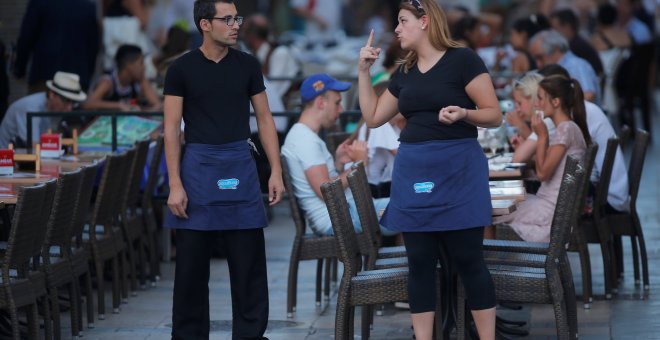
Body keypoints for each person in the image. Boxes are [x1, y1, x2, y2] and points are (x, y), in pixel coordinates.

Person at [358, 1, 501, 339]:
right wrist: (363, 72)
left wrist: (464, 114)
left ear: (424, 22)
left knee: (469, 259)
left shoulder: (463, 60)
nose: (396, 29)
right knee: (420, 262)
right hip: (415, 171)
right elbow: (374, 116)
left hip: (458, 169)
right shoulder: (405, 70)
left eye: (402, 21)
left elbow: (493, 113)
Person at [162, 1, 285, 339]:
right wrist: (175, 183)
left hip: (240, 167)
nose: (235, 25)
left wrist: (275, 170)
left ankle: (250, 335)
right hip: (197, 171)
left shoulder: (248, 64)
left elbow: (264, 119)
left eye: (236, 18)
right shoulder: (180, 69)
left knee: (249, 268)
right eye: (227, 19)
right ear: (205, 24)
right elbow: (171, 128)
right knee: (190, 271)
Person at [281, 74, 398, 237]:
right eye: (337, 103)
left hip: (345, 213)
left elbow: (323, 183)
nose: (341, 109)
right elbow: (325, 191)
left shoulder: (305, 136)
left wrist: (337, 164)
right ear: (321, 103)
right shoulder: (304, 139)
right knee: (411, 208)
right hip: (339, 219)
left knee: (411, 206)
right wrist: (359, 165)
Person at [494, 74, 590, 242]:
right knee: (493, 204)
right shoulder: (567, 127)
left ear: (556, 102)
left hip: (551, 211)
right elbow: (547, 167)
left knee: (486, 209)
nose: (536, 104)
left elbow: (543, 174)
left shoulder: (565, 129)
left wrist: (543, 136)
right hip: (551, 205)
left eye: (540, 98)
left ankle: (487, 263)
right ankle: (488, 262)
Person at [12, 0, 99, 93]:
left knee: (41, 105)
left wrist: (19, 68)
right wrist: (87, 76)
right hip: (76, 79)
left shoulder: (40, 3)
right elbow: (93, 47)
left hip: (45, 76)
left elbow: (26, 36)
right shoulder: (88, 7)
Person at [0, 71, 87, 148]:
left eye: (73, 102)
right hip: (6, 161)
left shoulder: (55, 108)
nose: (69, 108)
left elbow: (51, 140)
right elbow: (33, 147)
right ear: (52, 94)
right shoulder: (30, 107)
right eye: (66, 101)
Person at [529, 29, 601, 105]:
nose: (538, 64)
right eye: (535, 59)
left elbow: (589, 95)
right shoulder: (558, 68)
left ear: (556, 49)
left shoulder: (576, 65)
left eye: (540, 57)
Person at [83, 44, 161, 112]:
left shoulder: (140, 80)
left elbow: (157, 105)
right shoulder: (108, 82)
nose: (144, 67)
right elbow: (88, 104)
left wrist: (140, 110)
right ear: (129, 66)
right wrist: (119, 106)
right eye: (141, 63)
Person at [549, 8, 604, 78]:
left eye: (555, 28)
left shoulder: (576, 48)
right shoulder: (576, 43)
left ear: (567, 27)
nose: (551, 33)